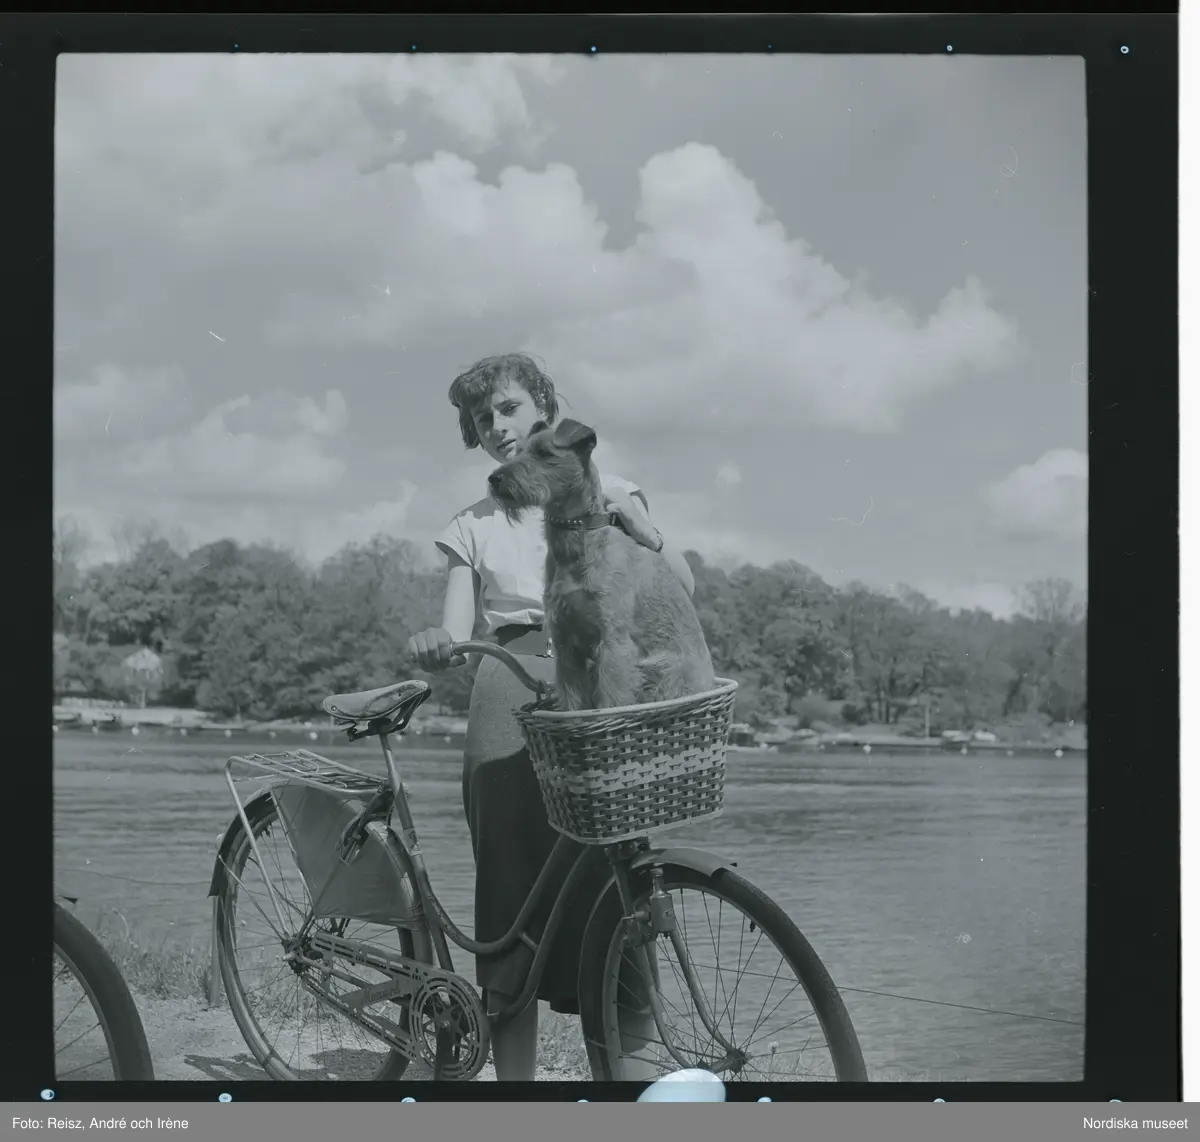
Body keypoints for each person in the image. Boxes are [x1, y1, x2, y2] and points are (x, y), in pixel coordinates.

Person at [407, 353, 694, 1081]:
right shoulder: (472, 524)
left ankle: (627, 1089)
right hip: (508, 684)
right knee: (510, 886)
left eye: (507, 408)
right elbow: (459, 627)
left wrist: (643, 528)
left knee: (617, 880)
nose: (495, 427)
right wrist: (438, 642)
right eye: (481, 419)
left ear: (542, 405)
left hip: (600, 682)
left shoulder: (612, 489)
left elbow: (681, 587)